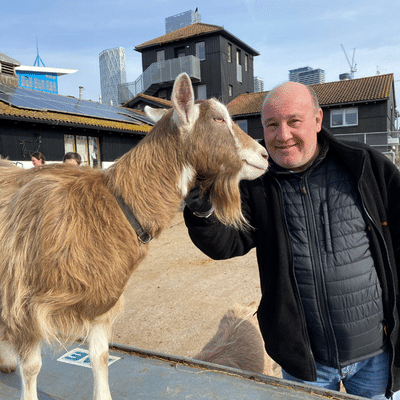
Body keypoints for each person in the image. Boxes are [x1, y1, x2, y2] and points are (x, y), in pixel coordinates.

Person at [183, 81, 400, 399]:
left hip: (374, 357)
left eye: (293, 121)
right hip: (304, 362)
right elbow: (225, 243)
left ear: (317, 120)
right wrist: (202, 207)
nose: (282, 135)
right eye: (272, 125)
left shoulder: (365, 167)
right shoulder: (254, 184)